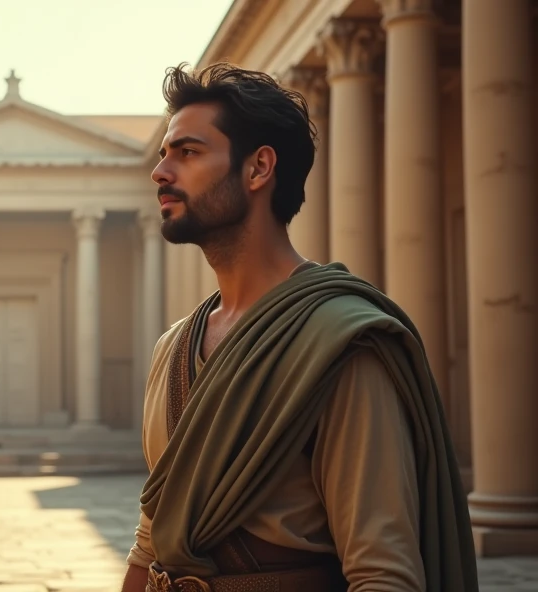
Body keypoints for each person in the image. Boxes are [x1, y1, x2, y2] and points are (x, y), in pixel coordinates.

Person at [121, 62, 479, 592]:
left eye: (188, 152)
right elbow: (154, 537)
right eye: (162, 153)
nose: (160, 171)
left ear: (259, 168)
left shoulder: (341, 344)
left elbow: (382, 572)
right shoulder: (173, 348)